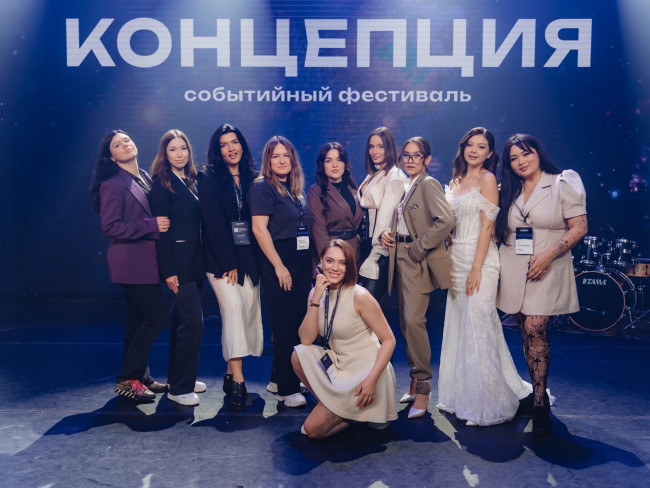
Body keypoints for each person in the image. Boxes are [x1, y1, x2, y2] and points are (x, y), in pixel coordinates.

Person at [437, 127, 532, 426]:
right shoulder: (455, 180)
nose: (474, 150)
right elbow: (449, 220)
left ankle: (489, 404)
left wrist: (476, 268)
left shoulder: (488, 179)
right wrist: (448, 236)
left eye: (481, 147)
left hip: (481, 260)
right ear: (463, 147)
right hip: (456, 259)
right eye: (470, 144)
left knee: (479, 324)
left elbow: (487, 227)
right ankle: (462, 397)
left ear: (490, 153)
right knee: (460, 326)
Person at [495, 133, 588, 436]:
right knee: (525, 331)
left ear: (538, 153)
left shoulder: (562, 182)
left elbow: (580, 227)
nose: (521, 161)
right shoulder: (507, 189)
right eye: (514, 158)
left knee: (535, 328)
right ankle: (536, 388)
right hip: (513, 267)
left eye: (526, 154)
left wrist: (548, 255)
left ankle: (539, 401)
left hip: (548, 265)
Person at [90, 130, 169, 401]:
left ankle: (140, 378)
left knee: (137, 322)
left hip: (147, 261)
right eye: (117, 144)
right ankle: (127, 379)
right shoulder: (112, 184)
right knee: (155, 317)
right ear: (111, 157)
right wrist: (151, 224)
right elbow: (110, 227)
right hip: (132, 262)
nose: (125, 144)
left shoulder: (144, 177)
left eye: (126, 140)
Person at [292, 240, 397, 439]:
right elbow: (306, 340)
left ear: (349, 266)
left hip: (365, 370)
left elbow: (389, 340)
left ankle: (349, 410)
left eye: (342, 263)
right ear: (321, 261)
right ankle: (340, 410)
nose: (335, 268)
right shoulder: (315, 293)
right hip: (339, 364)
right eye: (330, 261)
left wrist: (371, 380)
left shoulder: (360, 295)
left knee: (311, 430)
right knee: (298, 355)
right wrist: (316, 300)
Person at [382, 136, 454, 418]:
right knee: (405, 322)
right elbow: (405, 220)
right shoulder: (407, 185)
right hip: (399, 255)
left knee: (414, 321)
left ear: (427, 159)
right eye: (406, 155)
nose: (410, 160)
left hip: (416, 259)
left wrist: (419, 247)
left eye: (416, 155)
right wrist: (389, 234)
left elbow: (445, 220)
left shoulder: (428, 184)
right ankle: (414, 382)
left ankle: (424, 388)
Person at [198, 124, 263, 411]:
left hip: (249, 258)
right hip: (220, 260)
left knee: (246, 314)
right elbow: (212, 223)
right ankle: (238, 380)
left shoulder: (253, 177)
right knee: (234, 312)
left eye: (234, 142)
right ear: (217, 150)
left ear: (242, 145)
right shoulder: (208, 177)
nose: (230, 148)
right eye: (223, 144)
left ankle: (228, 373)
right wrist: (228, 262)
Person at [249, 135, 313, 408]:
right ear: (268, 161)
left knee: (297, 322)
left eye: (286, 155)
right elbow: (259, 229)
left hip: (300, 261)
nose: (281, 160)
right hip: (280, 261)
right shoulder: (263, 188)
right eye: (275, 156)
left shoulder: (294, 189)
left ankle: (279, 378)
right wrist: (278, 266)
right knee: (284, 325)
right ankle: (286, 390)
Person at [150, 129, 206, 407]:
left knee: (182, 322)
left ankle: (180, 378)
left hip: (196, 261)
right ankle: (180, 388)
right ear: (165, 154)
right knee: (193, 323)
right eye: (173, 149)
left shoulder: (192, 180)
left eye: (183, 148)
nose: (179, 154)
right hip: (178, 265)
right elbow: (161, 234)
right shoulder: (162, 185)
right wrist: (168, 271)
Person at [357, 127, 406, 316]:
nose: (374, 151)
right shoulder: (375, 173)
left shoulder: (394, 176)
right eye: (371, 146)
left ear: (390, 148)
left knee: (371, 306)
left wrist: (377, 251)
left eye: (380, 146)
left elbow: (387, 215)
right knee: (368, 305)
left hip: (380, 247)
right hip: (366, 244)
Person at [307, 142, 362, 266]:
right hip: (333, 254)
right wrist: (328, 261)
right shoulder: (316, 191)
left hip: (354, 254)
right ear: (322, 165)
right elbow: (318, 231)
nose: (335, 165)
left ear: (345, 163)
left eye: (339, 159)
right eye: (328, 160)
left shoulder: (352, 188)